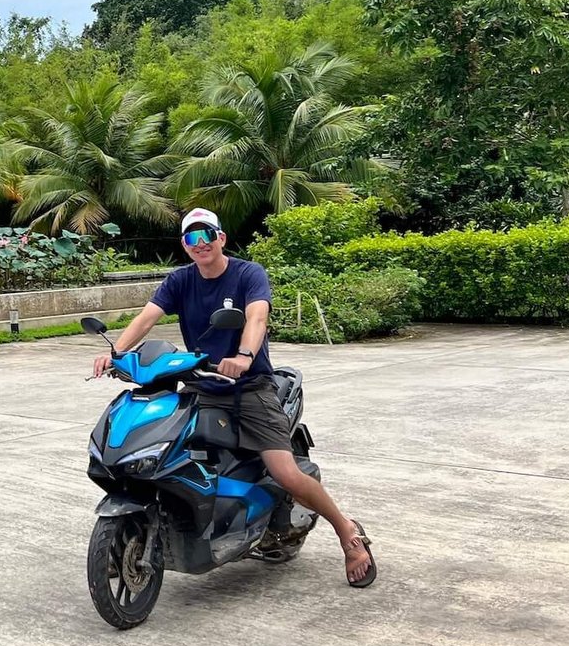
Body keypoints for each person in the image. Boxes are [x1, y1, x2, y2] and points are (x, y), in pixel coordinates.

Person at [93, 207, 376, 588]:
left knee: (285, 472)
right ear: (184, 245)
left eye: (207, 234)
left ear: (222, 237)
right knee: (158, 452)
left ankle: (347, 532)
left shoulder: (247, 274)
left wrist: (243, 357)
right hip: (200, 387)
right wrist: (117, 354)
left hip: (249, 389)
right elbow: (147, 318)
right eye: (192, 238)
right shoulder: (180, 280)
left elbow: (256, 317)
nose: (201, 243)